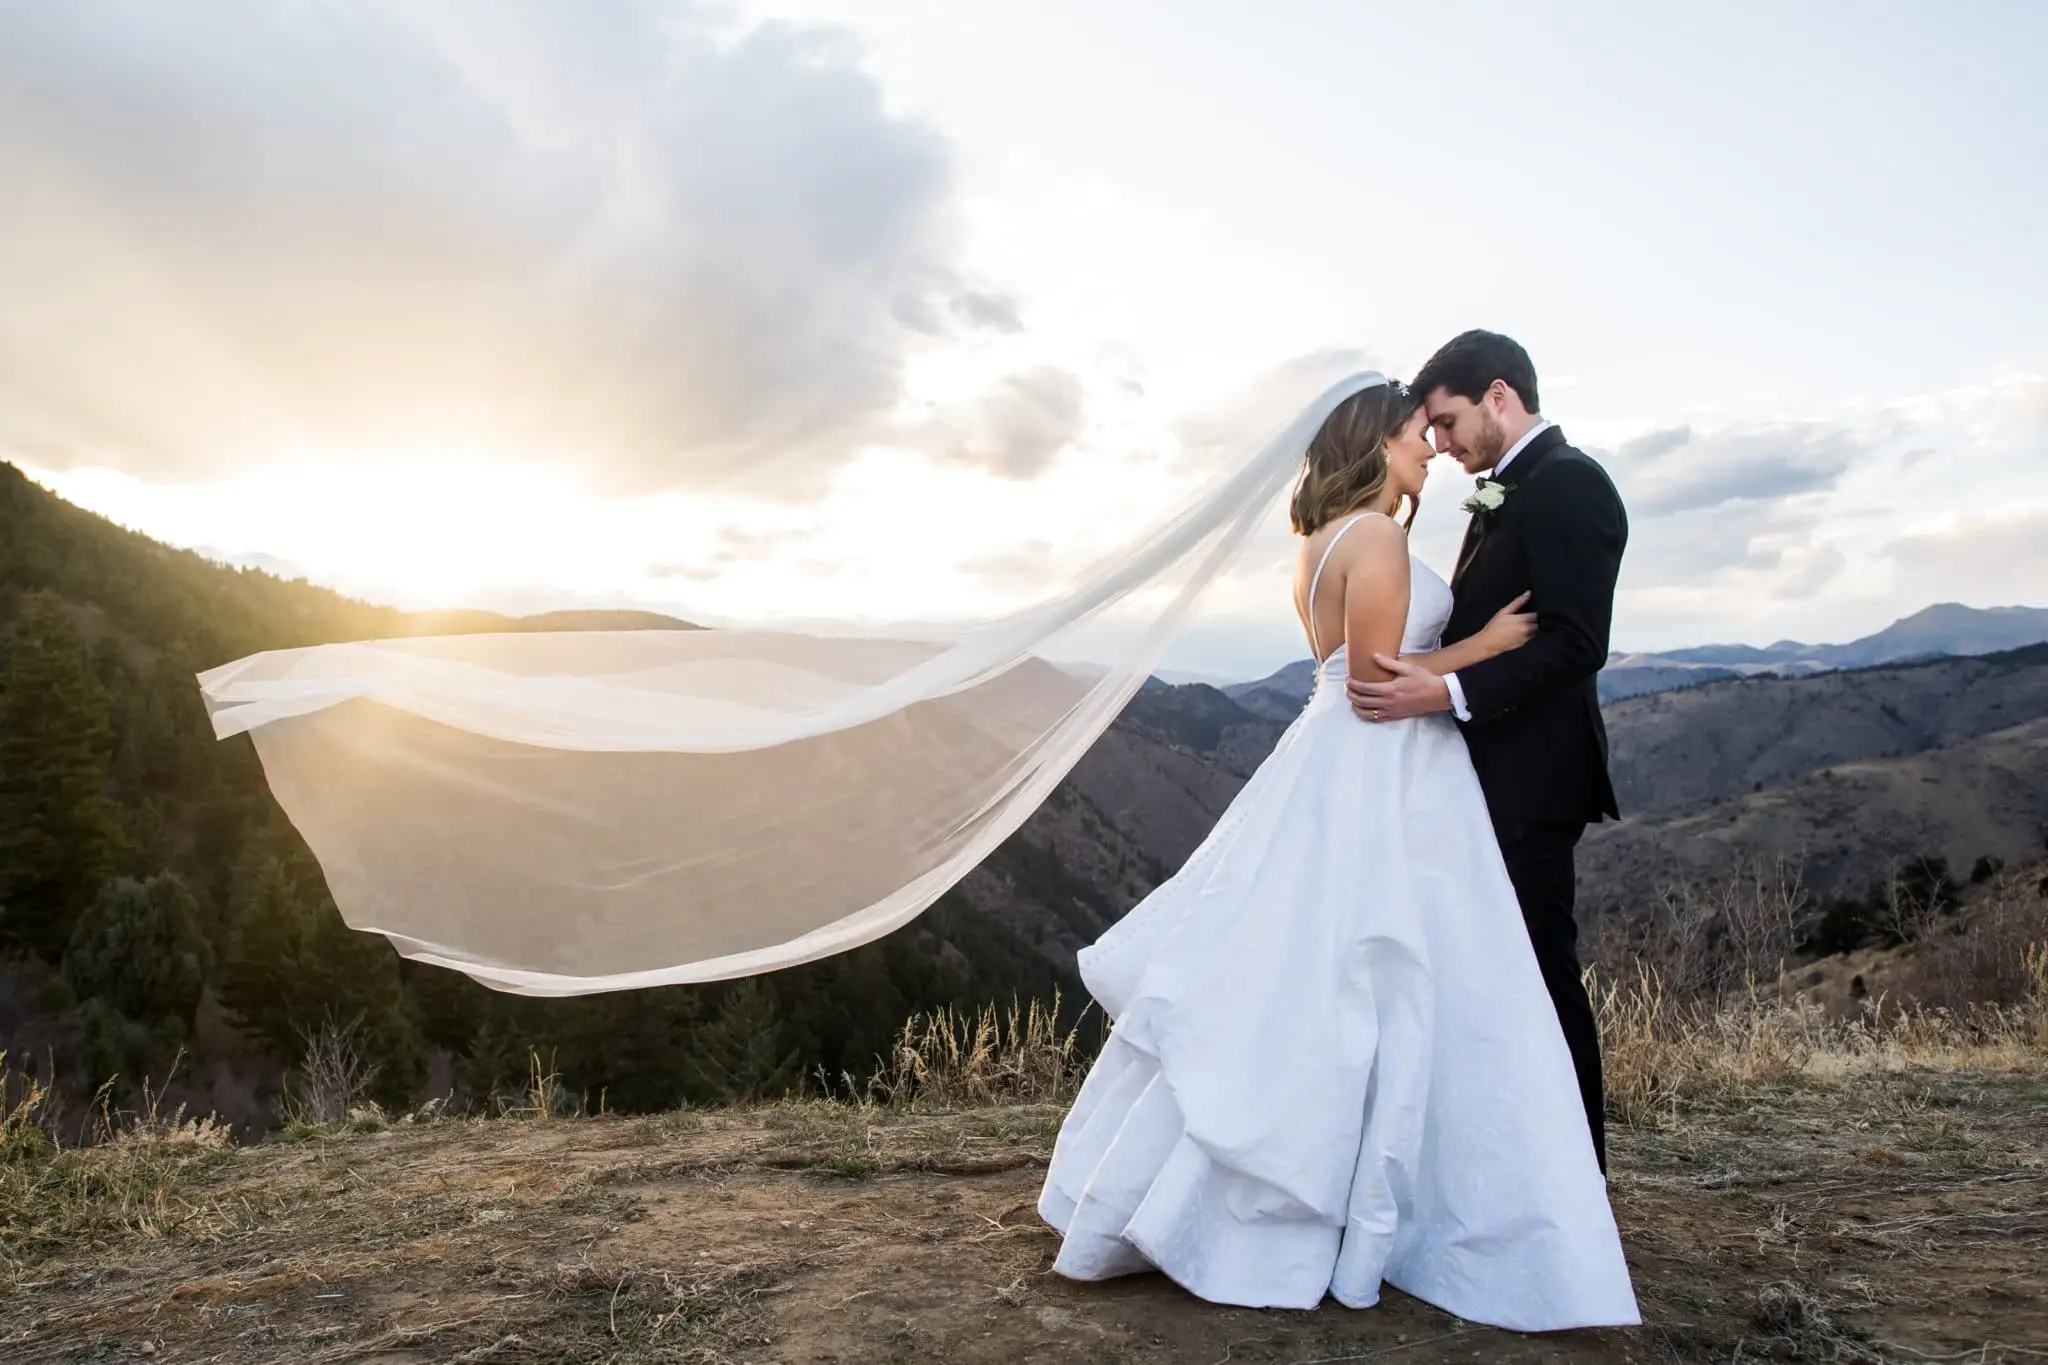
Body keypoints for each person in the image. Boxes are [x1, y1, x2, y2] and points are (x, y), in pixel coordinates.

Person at [1036, 370, 1638, 1330]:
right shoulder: (1377, 537)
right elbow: (1374, 678)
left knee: (1302, 971)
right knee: (1376, 971)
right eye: (1415, 433)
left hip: (1327, 759)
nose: (1429, 450)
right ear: (1378, 442)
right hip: (1380, 762)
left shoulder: (1317, 543)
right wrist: (1481, 646)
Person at [1350, 329, 1628, 1172]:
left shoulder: (1571, 485)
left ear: (1499, 396)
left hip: (1533, 779)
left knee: (1541, 973)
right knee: (1492, 979)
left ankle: (1579, 1176)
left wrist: (1446, 691)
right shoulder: (1507, 489)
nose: (1440, 443)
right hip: (1481, 775)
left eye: (1447, 421)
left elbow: (1578, 643)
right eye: (1429, 431)